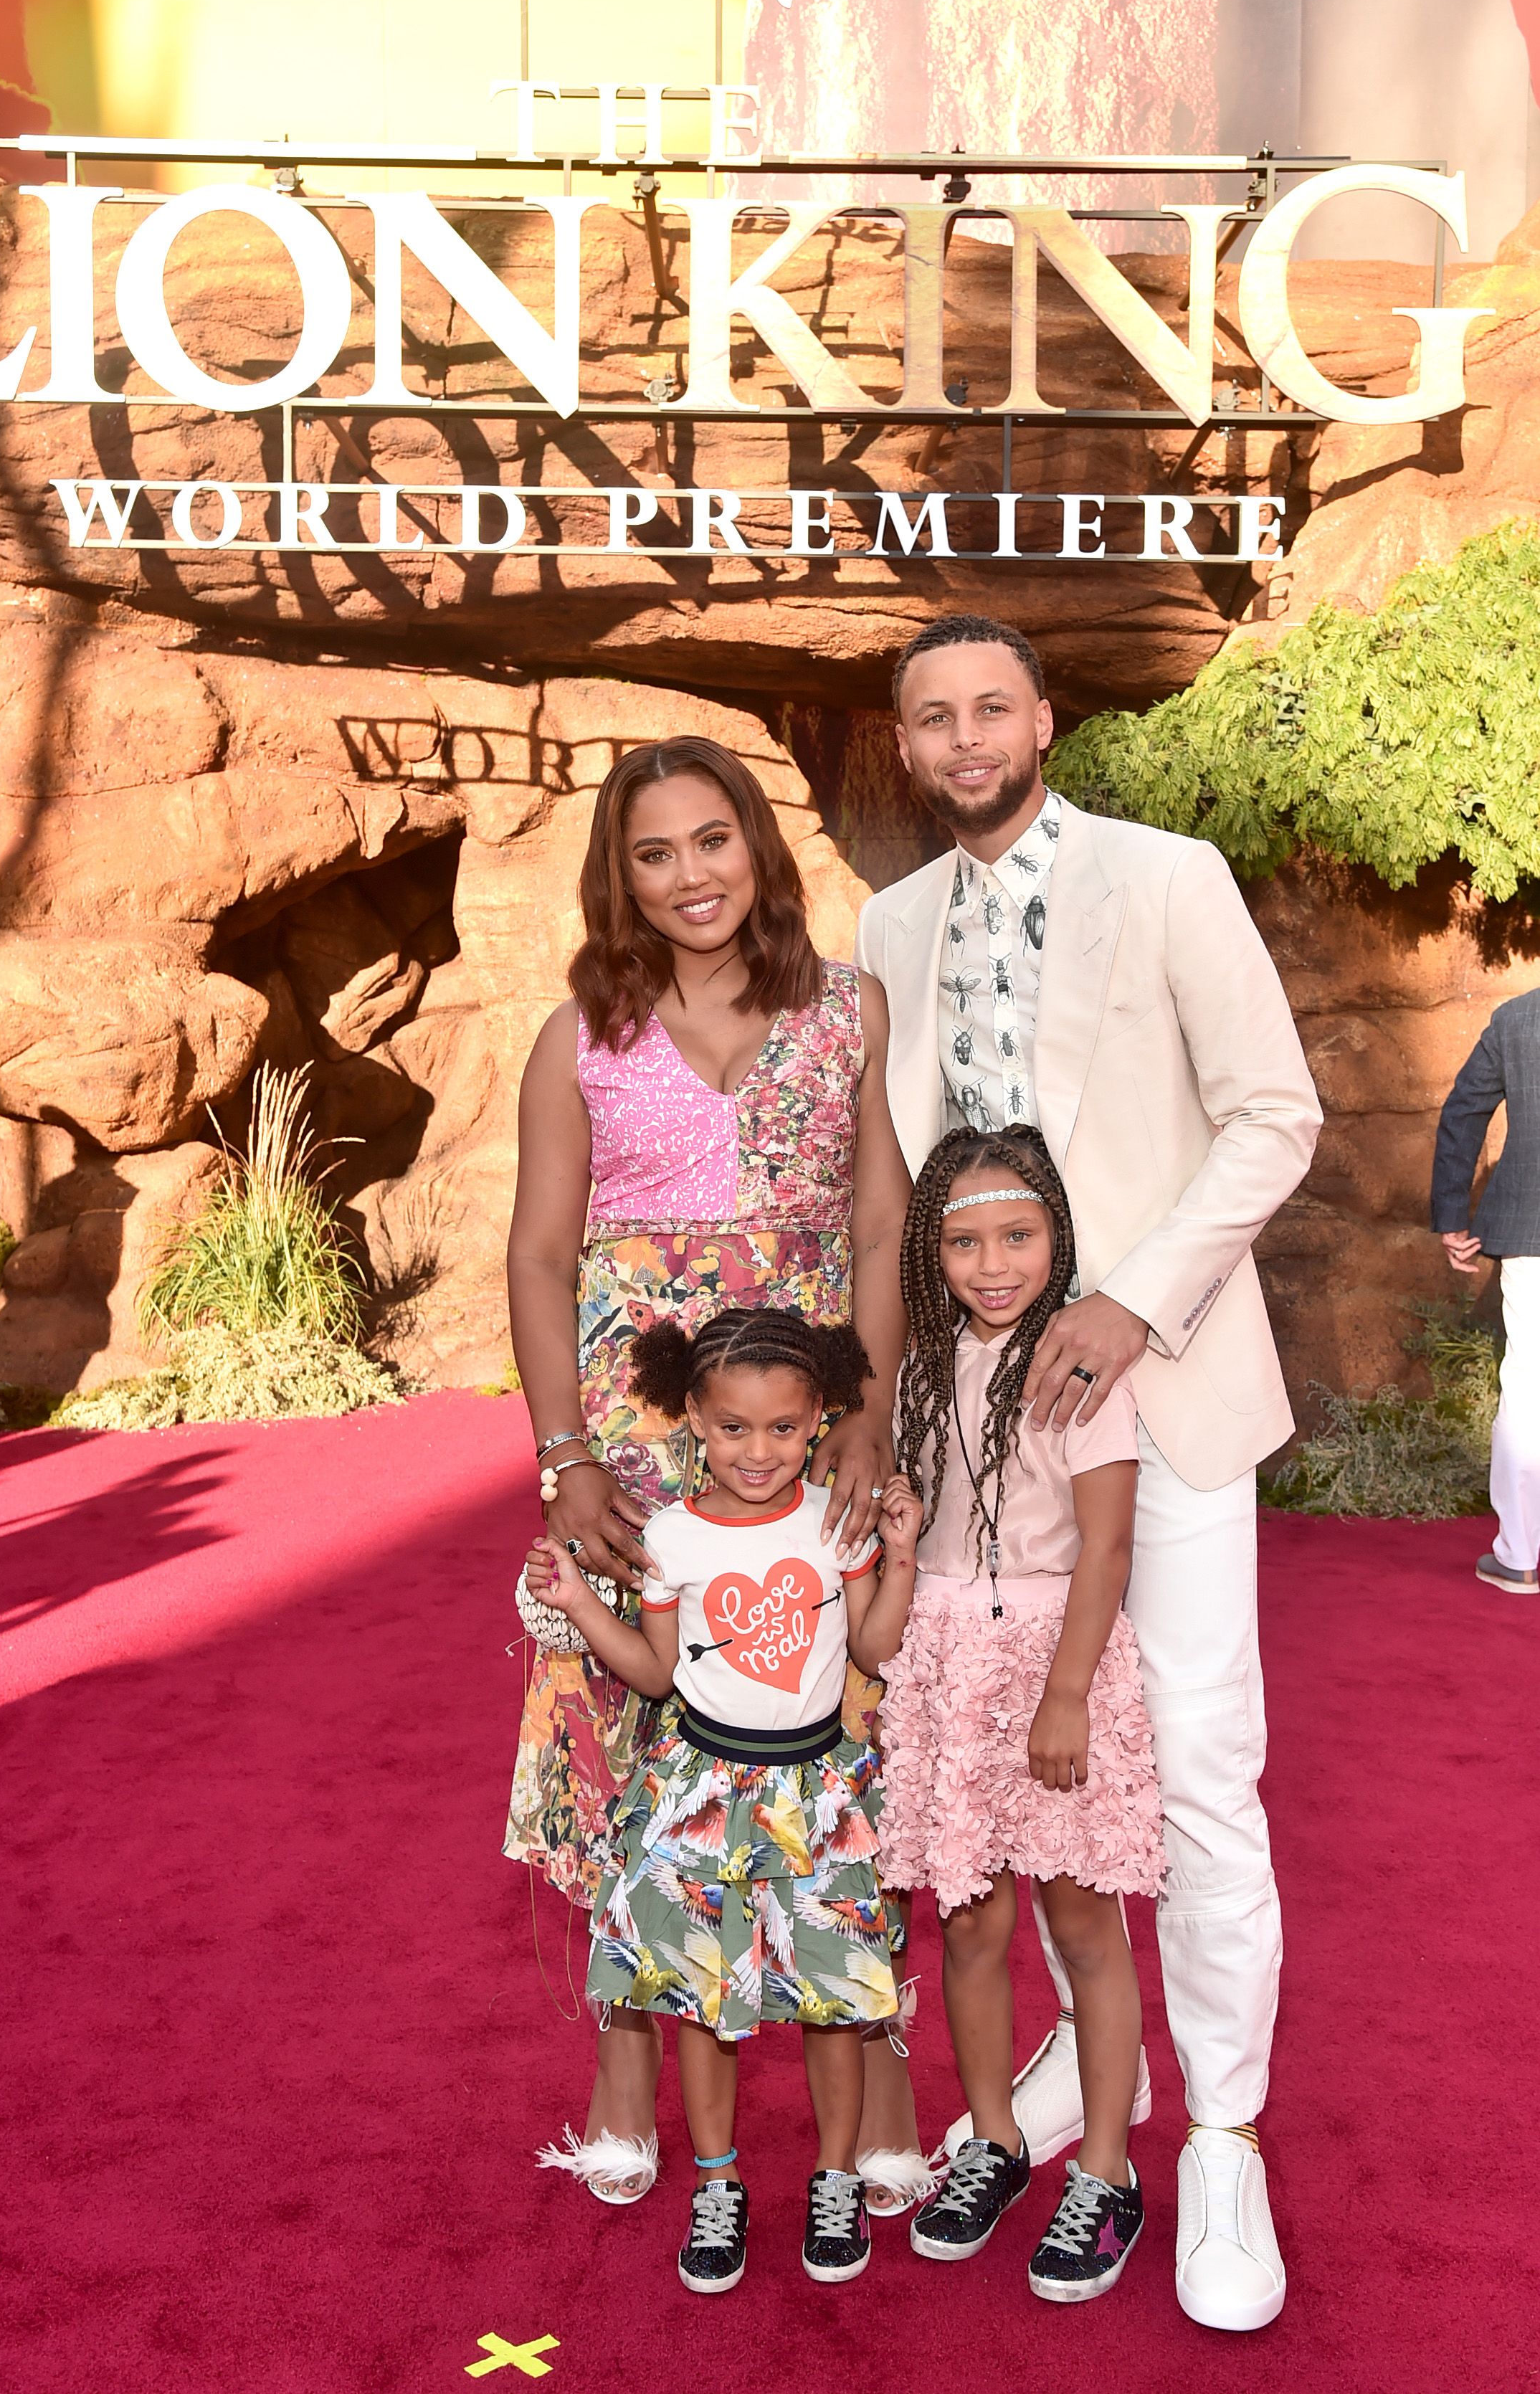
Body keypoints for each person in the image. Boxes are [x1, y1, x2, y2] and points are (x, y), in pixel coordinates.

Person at [855, 613, 1321, 2333]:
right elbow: (897, 1186)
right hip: (973, 1440)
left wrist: (1129, 1298)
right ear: (904, 743)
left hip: (1168, 1390)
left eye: (994, 705)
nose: (968, 735)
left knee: (1196, 1767)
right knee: (1005, 1761)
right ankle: (1062, 2066)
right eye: (933, 715)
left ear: (1043, 717)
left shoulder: (1170, 873)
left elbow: (1274, 1111)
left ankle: (1223, 2131)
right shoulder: (887, 924)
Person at [503, 736, 922, 2208]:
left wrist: (866, 1415)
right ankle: (624, 2084)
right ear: (618, 877)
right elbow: (542, 1253)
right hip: (636, 1429)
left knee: (835, 1709)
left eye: (712, 838)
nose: (691, 874)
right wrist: (565, 1457)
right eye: (654, 851)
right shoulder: (579, 1036)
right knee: (634, 1736)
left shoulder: (848, 1010)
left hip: (802, 1415)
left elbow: (878, 1232)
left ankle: (875, 2091)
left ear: (760, 842)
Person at [525, 1306, 919, 2293]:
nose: (759, 1450)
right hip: (700, 1792)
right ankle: (717, 2180)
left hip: (819, 1795)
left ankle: (832, 2177)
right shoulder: (668, 1535)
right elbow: (656, 1676)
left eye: (784, 1428)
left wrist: (901, 1551)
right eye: (733, 1427)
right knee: (701, 1999)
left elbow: (872, 1649)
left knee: (833, 2003)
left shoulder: (835, 1519)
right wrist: (578, 1605)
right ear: (692, 1417)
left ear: (818, 1416)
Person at [877, 1128, 1166, 2303]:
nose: (992, 1264)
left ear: (1053, 1232)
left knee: (1084, 1924)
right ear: (928, 1251)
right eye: (962, 1241)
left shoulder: (1079, 1365)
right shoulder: (915, 1366)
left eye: (1015, 1234)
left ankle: (1104, 2165)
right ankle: (992, 2138)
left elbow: (1105, 1543)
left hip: (1054, 1660)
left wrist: (1060, 1695)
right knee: (972, 1924)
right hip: (946, 1660)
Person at [1432, 986, 1540, 1595]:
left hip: (1533, 1230)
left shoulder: (1518, 1018)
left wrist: (1453, 1213)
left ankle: (1520, 1555)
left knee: (1529, 1384)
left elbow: (1464, 1110)